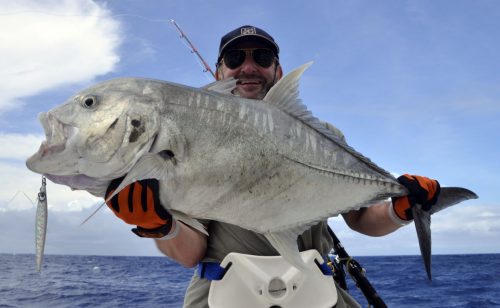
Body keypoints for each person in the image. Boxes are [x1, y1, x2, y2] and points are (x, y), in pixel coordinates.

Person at [105, 26, 441, 308]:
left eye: (261, 58)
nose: (248, 67)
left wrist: (401, 210)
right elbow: (190, 253)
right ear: (219, 72)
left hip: (316, 292)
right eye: (236, 59)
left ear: (278, 72)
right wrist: (157, 226)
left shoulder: (324, 136)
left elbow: (362, 219)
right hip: (223, 295)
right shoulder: (192, 135)